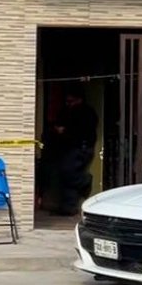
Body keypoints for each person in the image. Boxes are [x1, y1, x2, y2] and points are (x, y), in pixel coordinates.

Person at [48, 86, 98, 216]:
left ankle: (85, 181)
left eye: (71, 101)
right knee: (65, 177)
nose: (68, 104)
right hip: (68, 147)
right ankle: (68, 207)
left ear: (79, 99)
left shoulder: (87, 113)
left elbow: (84, 131)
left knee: (69, 173)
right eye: (67, 101)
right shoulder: (66, 112)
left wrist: (65, 131)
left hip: (81, 147)